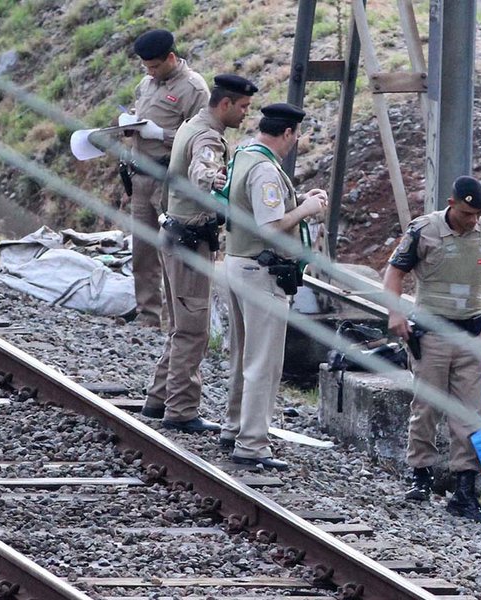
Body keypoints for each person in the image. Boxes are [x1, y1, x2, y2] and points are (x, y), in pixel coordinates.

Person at [383, 176, 481, 524]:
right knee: (426, 406)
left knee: (469, 415)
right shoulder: (423, 231)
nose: (472, 220)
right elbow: (394, 273)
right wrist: (395, 312)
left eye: (478, 214)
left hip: (471, 336)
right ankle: (421, 475)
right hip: (431, 334)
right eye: (466, 213)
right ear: (451, 203)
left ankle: (464, 488)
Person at [140, 74, 258, 433]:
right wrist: (221, 182)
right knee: (193, 331)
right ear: (225, 104)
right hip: (190, 242)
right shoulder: (208, 137)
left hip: (174, 234)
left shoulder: (191, 125)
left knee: (180, 326)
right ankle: (182, 408)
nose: (244, 115)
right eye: (242, 107)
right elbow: (202, 172)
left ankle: (159, 398)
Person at [222, 103, 328, 470]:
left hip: (237, 263)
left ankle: (233, 426)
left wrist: (297, 202)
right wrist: (307, 209)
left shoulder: (244, 156)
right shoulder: (266, 169)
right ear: (287, 133)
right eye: (295, 135)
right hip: (260, 271)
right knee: (263, 363)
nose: (295, 141)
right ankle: (251, 444)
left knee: (242, 356)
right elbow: (269, 226)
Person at [123, 28, 209, 327]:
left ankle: (178, 324)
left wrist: (161, 135)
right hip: (140, 177)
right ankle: (148, 317)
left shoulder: (194, 88)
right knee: (142, 252)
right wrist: (131, 125)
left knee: (171, 253)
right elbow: (141, 109)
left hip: (169, 181)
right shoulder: (146, 84)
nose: (151, 72)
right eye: (146, 67)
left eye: (156, 66)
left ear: (171, 58)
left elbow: (202, 137)